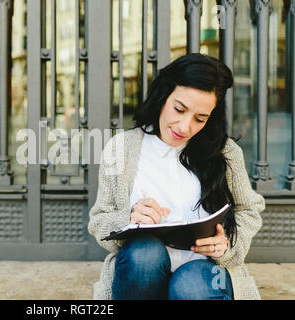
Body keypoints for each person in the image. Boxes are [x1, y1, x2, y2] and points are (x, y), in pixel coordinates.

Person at [88, 53, 265, 300]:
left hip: (203, 270)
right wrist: (129, 219)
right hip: (142, 274)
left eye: (199, 119)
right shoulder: (122, 148)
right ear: (163, 96)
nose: (184, 127)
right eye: (179, 109)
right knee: (144, 253)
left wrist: (226, 244)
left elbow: (249, 209)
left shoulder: (225, 152)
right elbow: (99, 219)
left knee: (192, 286)